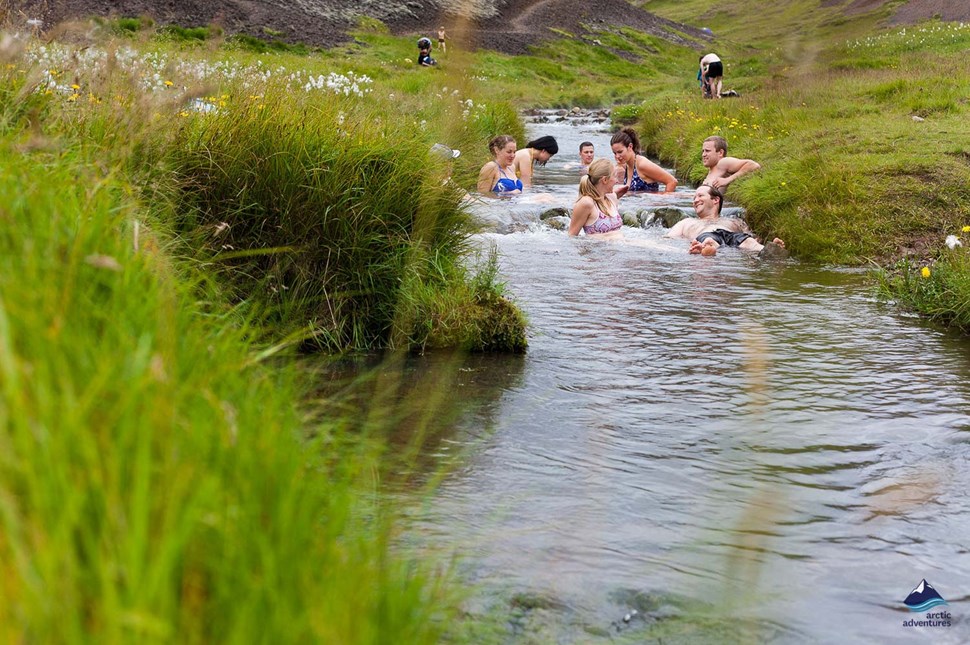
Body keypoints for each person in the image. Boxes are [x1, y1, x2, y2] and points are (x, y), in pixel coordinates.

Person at [665, 185, 785, 256]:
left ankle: (771, 251)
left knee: (749, 242)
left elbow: (750, 235)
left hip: (732, 234)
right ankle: (706, 249)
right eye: (694, 198)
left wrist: (757, 240)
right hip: (706, 234)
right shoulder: (686, 222)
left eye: (700, 196)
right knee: (710, 240)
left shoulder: (734, 221)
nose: (695, 200)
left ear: (716, 200)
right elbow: (668, 240)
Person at [610, 127, 678, 194]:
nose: (617, 156)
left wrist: (663, 199)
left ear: (630, 146)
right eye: (615, 153)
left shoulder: (642, 164)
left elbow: (672, 181)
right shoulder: (626, 166)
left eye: (620, 152)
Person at [569, 158, 623, 238]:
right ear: (604, 180)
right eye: (615, 176)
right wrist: (608, 237)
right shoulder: (586, 203)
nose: (617, 181)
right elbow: (571, 237)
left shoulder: (612, 198)